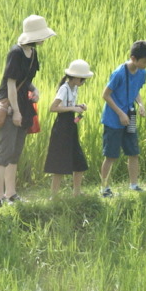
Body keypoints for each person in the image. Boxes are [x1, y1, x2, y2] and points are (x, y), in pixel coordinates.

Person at [0, 15, 56, 206]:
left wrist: (34, 90)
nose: (44, 39)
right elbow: (10, 84)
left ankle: (11, 193)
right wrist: (16, 111)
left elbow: (24, 80)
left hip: (23, 104)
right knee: (4, 152)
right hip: (10, 105)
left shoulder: (33, 53)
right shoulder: (16, 53)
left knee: (15, 152)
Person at [100, 40, 146, 197]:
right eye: (144, 61)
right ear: (133, 58)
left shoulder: (142, 73)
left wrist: (141, 104)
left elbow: (136, 90)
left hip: (130, 116)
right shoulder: (119, 73)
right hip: (113, 119)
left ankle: (134, 185)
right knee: (111, 155)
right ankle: (104, 188)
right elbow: (105, 95)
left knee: (133, 152)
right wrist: (120, 113)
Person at [44, 59, 94, 197]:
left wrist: (79, 106)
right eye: (83, 79)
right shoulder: (64, 88)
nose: (84, 82)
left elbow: (69, 104)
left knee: (79, 160)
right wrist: (73, 108)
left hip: (71, 125)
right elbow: (53, 108)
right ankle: (53, 195)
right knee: (60, 162)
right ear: (76, 77)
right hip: (62, 127)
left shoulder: (74, 88)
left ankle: (76, 192)